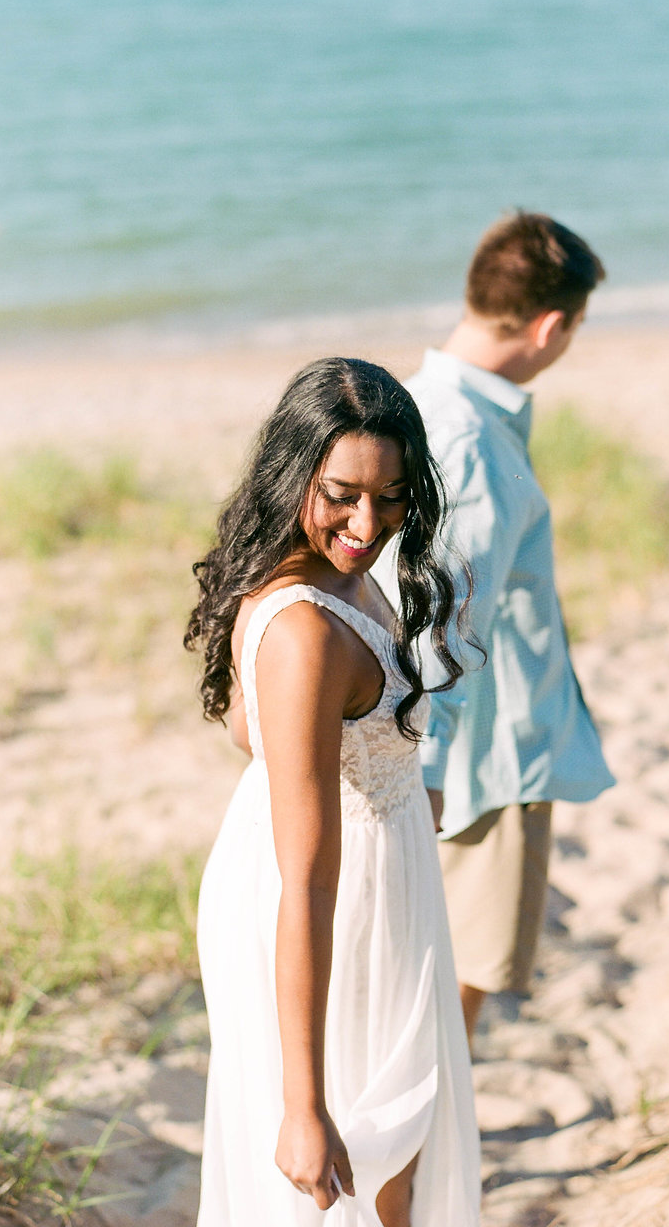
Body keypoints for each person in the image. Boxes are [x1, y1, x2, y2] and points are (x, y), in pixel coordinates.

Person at [185, 357, 481, 1227]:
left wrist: (392, 784)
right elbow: (306, 880)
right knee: (364, 1156)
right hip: (326, 905)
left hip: (370, 874)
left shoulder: (326, 572)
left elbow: (256, 734)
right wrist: (300, 1102)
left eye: (392, 497)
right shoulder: (304, 630)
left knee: (397, 1150)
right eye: (343, 493)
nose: (368, 523)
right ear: (295, 473)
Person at [374, 212, 615, 1045]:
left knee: (431, 980)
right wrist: (429, 771)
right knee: (454, 988)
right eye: (575, 327)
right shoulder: (473, 440)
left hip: (450, 753)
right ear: (551, 326)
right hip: (482, 761)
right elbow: (441, 617)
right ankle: (428, 1159)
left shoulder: (416, 400)